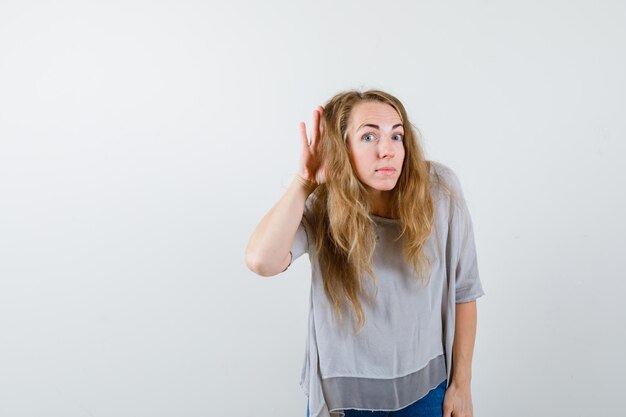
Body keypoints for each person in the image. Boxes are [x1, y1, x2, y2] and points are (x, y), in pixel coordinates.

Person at [245, 90, 485, 417]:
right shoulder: (322, 203)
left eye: (396, 136)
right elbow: (262, 260)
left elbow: (464, 291)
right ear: (341, 149)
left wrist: (462, 385)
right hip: (343, 398)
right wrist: (303, 182)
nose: (387, 150)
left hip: (426, 391)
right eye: (369, 136)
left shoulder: (439, 189)